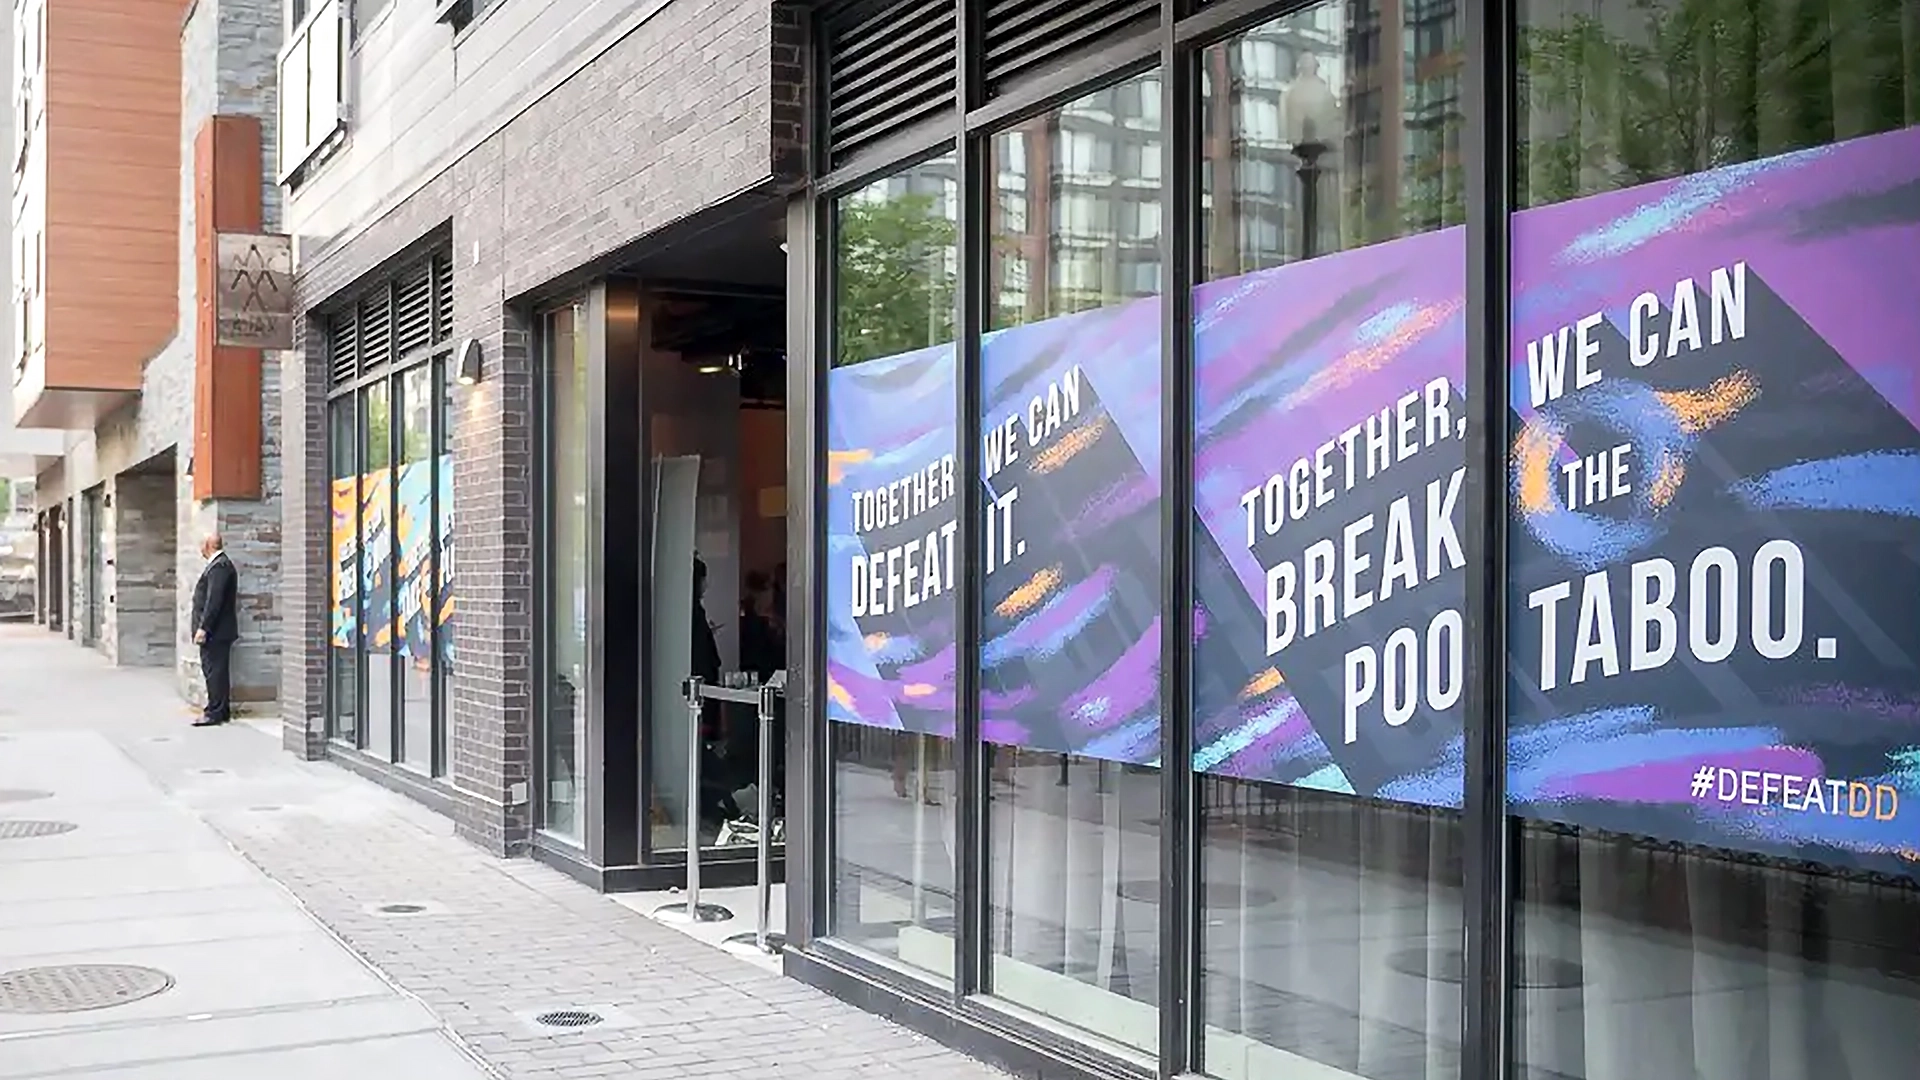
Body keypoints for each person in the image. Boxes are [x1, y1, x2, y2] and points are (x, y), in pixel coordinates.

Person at [190, 533, 240, 727]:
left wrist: (204, 628)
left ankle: (214, 712)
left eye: (202, 544)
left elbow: (214, 601)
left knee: (214, 672)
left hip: (216, 633)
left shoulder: (219, 567)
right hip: (217, 632)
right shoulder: (218, 566)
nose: (200, 548)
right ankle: (220, 710)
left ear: (209, 545)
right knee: (215, 671)